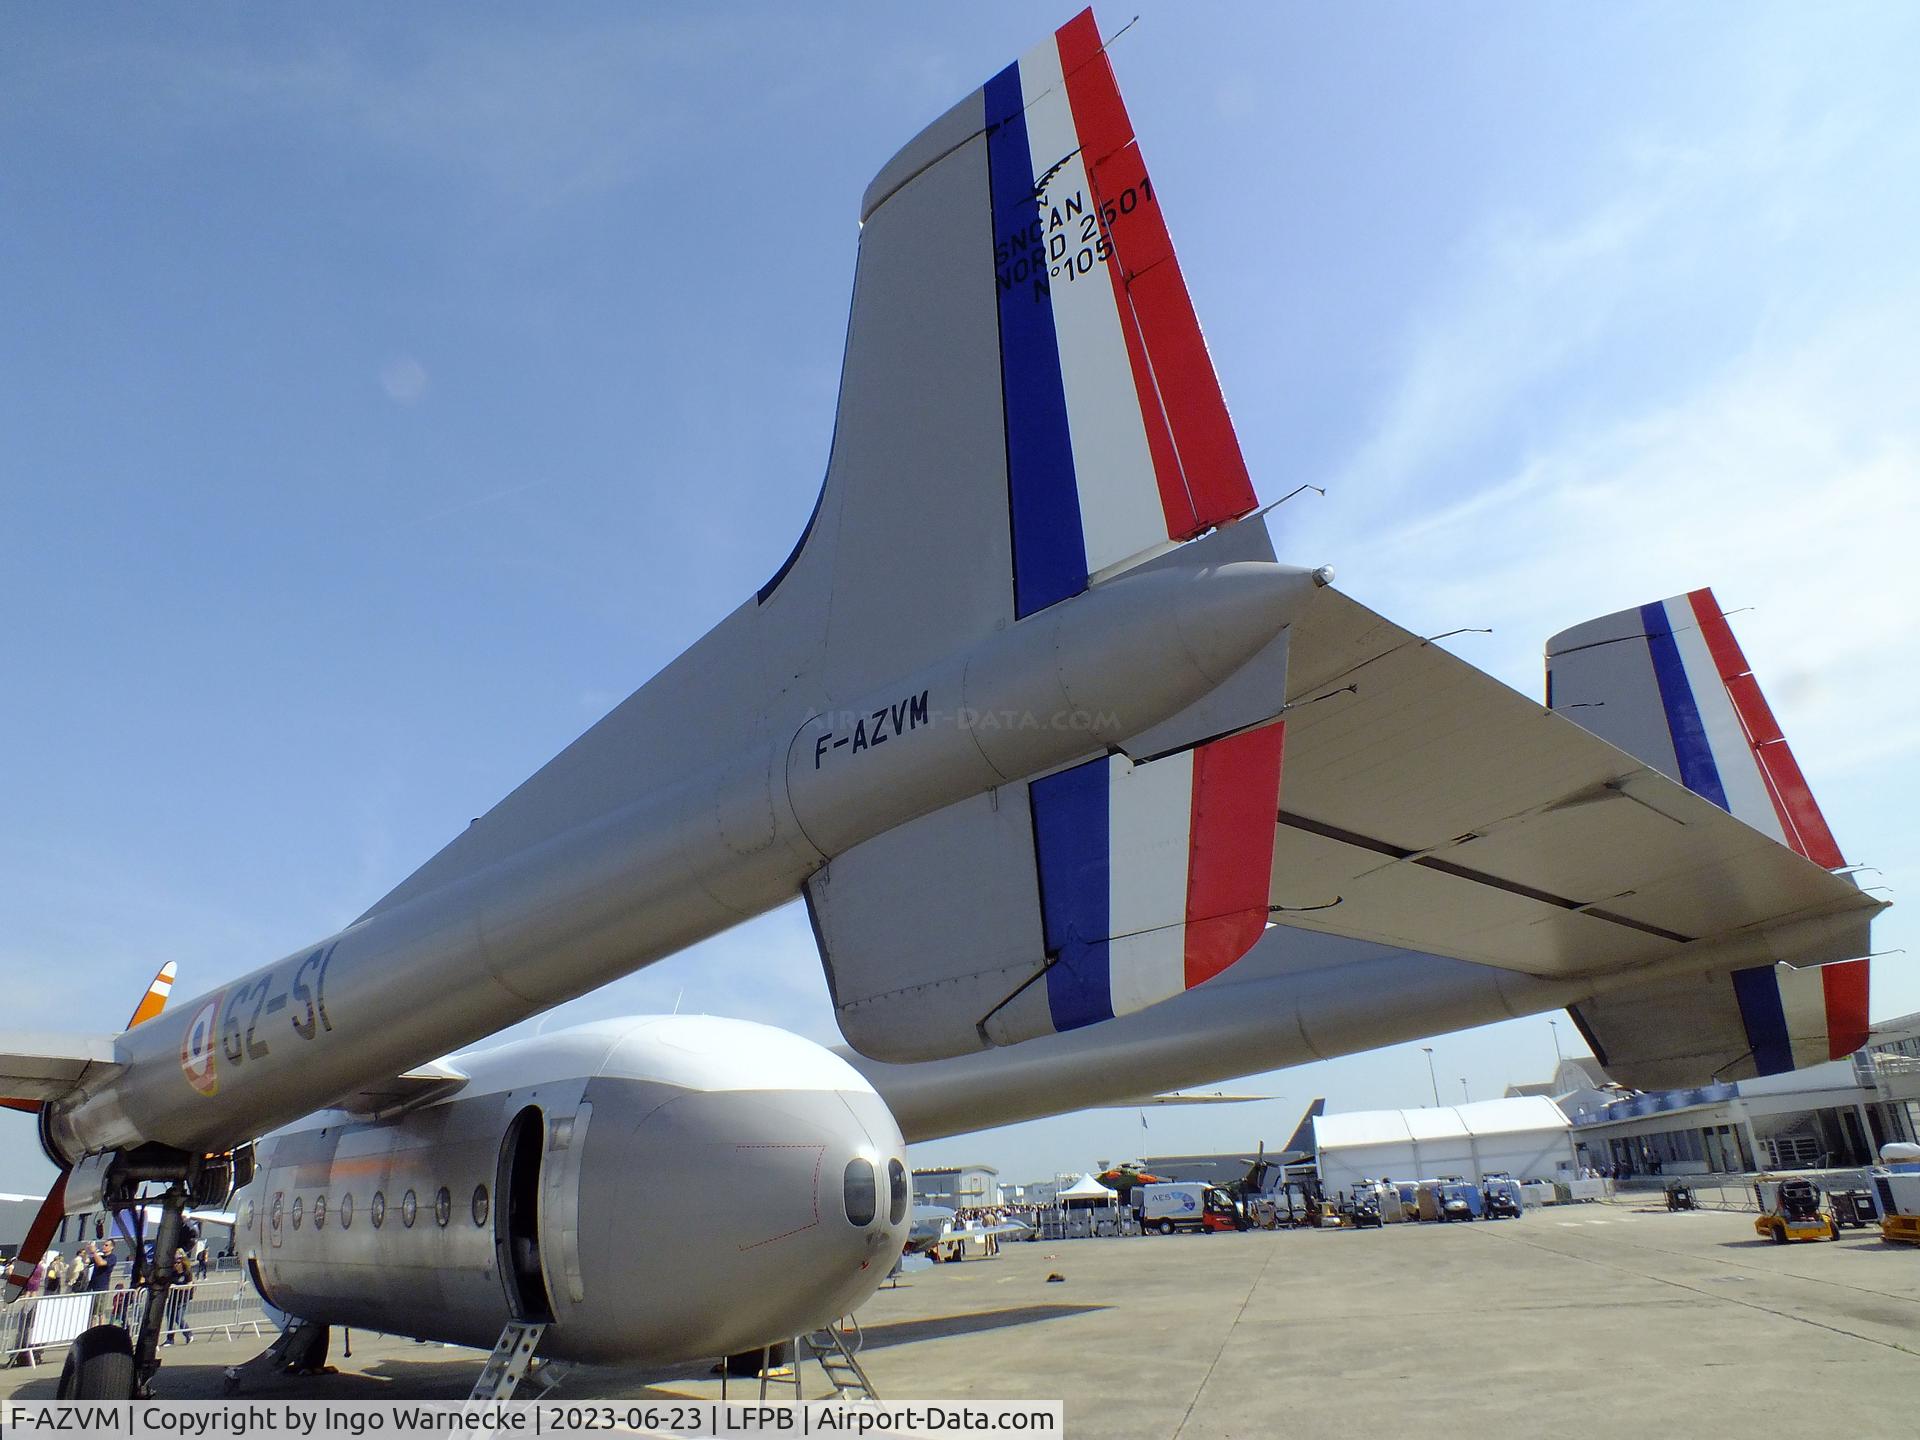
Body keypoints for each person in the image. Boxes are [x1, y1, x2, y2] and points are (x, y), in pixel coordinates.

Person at [161, 1249, 194, 1346]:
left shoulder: (187, 1273)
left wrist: (177, 1287)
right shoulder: (173, 1273)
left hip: (183, 1299)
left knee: (178, 1318)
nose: (176, 1264)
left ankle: (188, 1333)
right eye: (174, 1263)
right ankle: (170, 1339)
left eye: (178, 1262)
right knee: (170, 1318)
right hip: (173, 1298)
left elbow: (189, 1285)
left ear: (182, 1262)